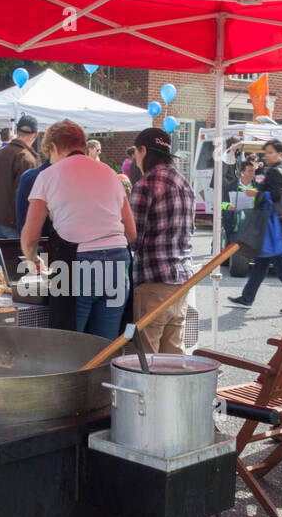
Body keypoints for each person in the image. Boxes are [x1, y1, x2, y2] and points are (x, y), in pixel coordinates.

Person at [22, 120, 136, 339]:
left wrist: (32, 259)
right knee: (105, 347)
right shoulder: (110, 174)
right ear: (84, 146)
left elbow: (30, 236)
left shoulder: (47, 176)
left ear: (53, 147)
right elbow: (130, 232)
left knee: (69, 345)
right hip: (118, 260)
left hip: (77, 262)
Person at [128, 127, 194, 354]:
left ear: (143, 150)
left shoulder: (145, 184)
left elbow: (133, 237)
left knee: (146, 357)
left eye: (135, 153)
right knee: (174, 356)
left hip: (153, 280)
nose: (135, 159)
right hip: (181, 279)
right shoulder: (183, 182)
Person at [229, 145, 282, 310]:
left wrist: (255, 194)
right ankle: (247, 297)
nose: (267, 156)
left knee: (281, 263)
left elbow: (274, 196)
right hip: (278, 222)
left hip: (273, 223)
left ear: (279, 154)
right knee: (262, 261)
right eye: (266, 152)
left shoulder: (274, 171)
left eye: (270, 152)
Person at [0, 114, 38, 281]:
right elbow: (27, 198)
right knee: (19, 271)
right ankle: (19, 305)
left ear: (16, 131)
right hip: (16, 223)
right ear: (36, 134)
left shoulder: (0, 153)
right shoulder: (27, 158)